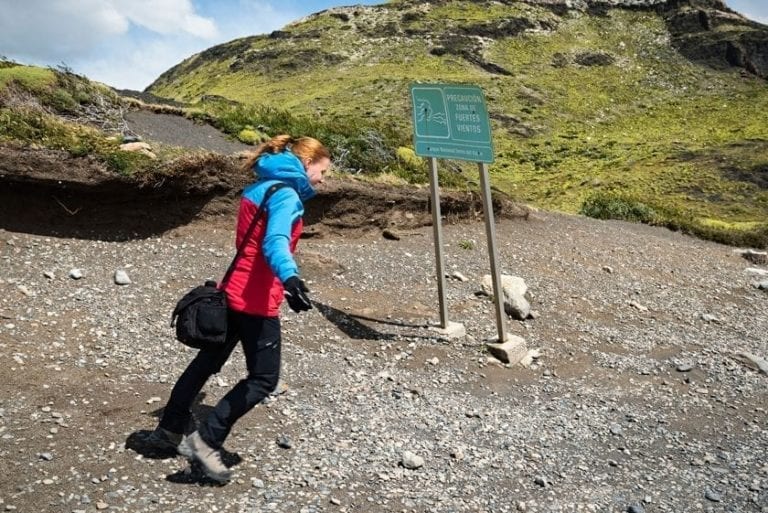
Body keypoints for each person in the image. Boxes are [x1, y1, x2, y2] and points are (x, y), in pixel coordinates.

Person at [145, 134, 331, 482]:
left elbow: (250, 244)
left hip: (231, 292)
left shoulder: (259, 187)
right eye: (322, 171)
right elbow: (274, 242)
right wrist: (290, 278)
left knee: (206, 363)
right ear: (306, 164)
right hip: (257, 300)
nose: (322, 179)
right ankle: (205, 441)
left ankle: (168, 431)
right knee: (263, 379)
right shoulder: (287, 195)